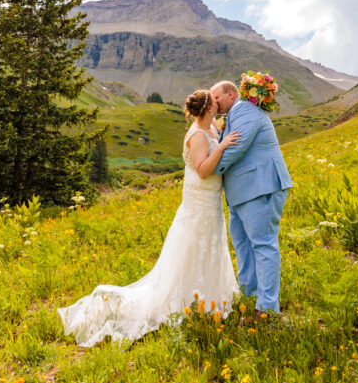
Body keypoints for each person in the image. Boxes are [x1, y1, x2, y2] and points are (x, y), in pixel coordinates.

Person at [57, 89, 241, 347]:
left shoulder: (210, 126)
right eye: (215, 103)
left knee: (208, 246)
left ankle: (208, 298)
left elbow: (219, 134)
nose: (218, 106)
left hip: (210, 200)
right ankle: (190, 301)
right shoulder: (198, 135)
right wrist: (221, 146)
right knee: (194, 247)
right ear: (209, 109)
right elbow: (202, 170)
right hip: (199, 201)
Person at [210, 80, 292, 314]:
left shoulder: (244, 109)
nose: (214, 103)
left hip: (260, 186)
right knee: (243, 245)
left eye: (217, 98)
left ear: (231, 93)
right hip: (241, 193)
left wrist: (209, 169)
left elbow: (237, 146)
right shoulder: (234, 114)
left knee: (263, 245)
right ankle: (249, 295)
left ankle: (267, 308)